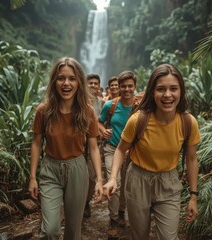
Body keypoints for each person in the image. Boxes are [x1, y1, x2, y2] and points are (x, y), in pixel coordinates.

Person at [103, 64, 201, 240]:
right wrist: (112, 179)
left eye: (173, 89)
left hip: (169, 182)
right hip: (138, 180)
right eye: (161, 89)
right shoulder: (138, 120)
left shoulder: (188, 122)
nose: (167, 95)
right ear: (152, 92)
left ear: (181, 91)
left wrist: (193, 196)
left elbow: (192, 159)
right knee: (139, 235)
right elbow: (120, 150)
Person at [28, 57, 104, 240]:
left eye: (72, 78)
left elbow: (93, 147)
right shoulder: (43, 111)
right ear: (55, 81)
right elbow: (37, 143)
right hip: (50, 170)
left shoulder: (87, 112)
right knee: (50, 230)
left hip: (77, 169)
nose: (66, 83)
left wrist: (100, 180)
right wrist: (32, 177)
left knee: (73, 229)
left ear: (79, 82)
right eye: (61, 78)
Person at [98, 71, 137, 238]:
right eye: (123, 86)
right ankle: (113, 219)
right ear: (118, 87)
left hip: (132, 151)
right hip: (113, 149)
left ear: (135, 87)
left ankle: (121, 212)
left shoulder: (140, 107)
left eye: (130, 86)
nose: (127, 89)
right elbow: (99, 122)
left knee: (127, 185)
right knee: (115, 182)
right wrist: (103, 131)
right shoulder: (110, 105)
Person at [84, 73, 104, 218]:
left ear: (99, 86)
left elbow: (103, 121)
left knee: (91, 178)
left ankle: (85, 202)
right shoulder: (79, 101)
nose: (93, 85)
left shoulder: (102, 103)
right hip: (79, 145)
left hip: (95, 144)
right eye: (90, 83)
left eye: (95, 83)